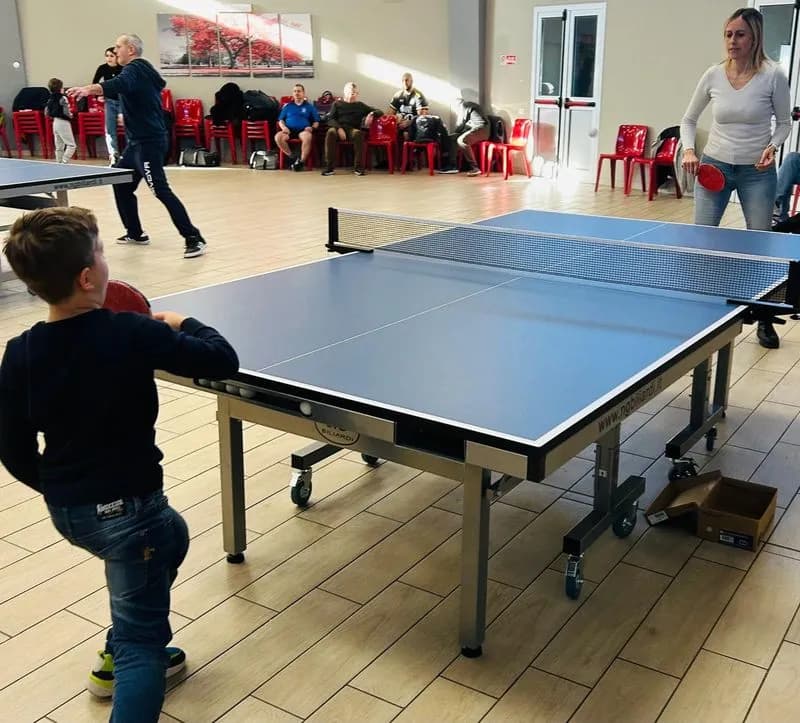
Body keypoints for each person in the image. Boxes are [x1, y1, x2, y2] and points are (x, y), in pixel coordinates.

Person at [0, 207, 239, 723]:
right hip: (131, 513)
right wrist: (181, 322)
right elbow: (222, 359)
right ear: (88, 277)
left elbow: (13, 448)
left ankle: (119, 649)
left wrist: (64, 488)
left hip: (71, 511)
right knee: (142, 647)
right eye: (103, 251)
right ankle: (128, 655)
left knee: (171, 536)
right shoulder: (132, 332)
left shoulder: (19, 352)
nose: (108, 260)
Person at [680, 7, 791, 349]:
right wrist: (688, 150)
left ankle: (764, 316)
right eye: (728, 34)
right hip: (714, 167)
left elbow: (785, 123)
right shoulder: (713, 75)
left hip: (757, 173)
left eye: (739, 34)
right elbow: (688, 120)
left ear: (754, 37)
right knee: (703, 242)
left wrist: (773, 146)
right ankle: (699, 308)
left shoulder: (774, 76)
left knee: (760, 247)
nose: (732, 41)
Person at [69, 34, 208, 260]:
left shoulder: (135, 68)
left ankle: (193, 238)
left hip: (149, 143)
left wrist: (88, 89)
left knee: (160, 189)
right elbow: (127, 90)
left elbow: (119, 85)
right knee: (120, 182)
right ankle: (135, 233)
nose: (115, 51)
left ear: (131, 49)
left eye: (118, 46)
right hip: (135, 144)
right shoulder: (138, 72)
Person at [321, 82, 383, 176]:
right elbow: (330, 119)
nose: (352, 93)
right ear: (345, 92)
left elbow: (380, 111)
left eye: (354, 92)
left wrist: (371, 114)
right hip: (338, 129)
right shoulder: (337, 104)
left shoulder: (360, 105)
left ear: (357, 94)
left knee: (359, 133)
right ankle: (329, 168)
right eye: (350, 91)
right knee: (330, 132)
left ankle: (358, 168)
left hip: (352, 130)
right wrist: (339, 128)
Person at [438, 97, 489, 176]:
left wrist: (455, 131)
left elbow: (460, 124)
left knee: (461, 140)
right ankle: (452, 166)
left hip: (481, 130)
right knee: (451, 138)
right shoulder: (468, 106)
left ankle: (475, 168)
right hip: (476, 129)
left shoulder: (464, 106)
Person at [275, 83, 320, 172]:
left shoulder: (309, 107)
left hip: (303, 131)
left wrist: (312, 128)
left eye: (299, 91)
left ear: (303, 93)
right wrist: (283, 127)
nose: (296, 93)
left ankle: (301, 162)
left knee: (308, 137)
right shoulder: (288, 106)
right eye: (295, 91)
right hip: (288, 131)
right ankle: (293, 157)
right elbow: (281, 120)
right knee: (278, 137)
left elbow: (316, 122)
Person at [92, 46, 123, 164]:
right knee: (110, 129)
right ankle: (113, 155)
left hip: (122, 101)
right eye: (107, 56)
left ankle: (131, 154)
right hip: (109, 101)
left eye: (112, 56)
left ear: (117, 57)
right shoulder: (102, 68)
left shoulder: (123, 68)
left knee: (128, 127)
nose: (109, 58)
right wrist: (98, 95)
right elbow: (95, 83)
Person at [44, 78, 76, 164]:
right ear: (61, 88)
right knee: (71, 145)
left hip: (55, 123)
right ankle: (64, 162)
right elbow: (66, 111)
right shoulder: (63, 98)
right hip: (63, 122)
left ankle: (58, 163)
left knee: (59, 146)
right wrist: (71, 116)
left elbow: (46, 112)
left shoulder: (49, 99)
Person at [388, 72, 427, 139]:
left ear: (411, 81)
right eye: (403, 80)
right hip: (400, 124)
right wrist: (396, 119)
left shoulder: (418, 95)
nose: (405, 82)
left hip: (412, 125)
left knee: (406, 133)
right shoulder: (398, 95)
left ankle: (410, 148)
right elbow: (389, 114)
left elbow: (423, 116)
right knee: (389, 130)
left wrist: (409, 122)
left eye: (407, 80)